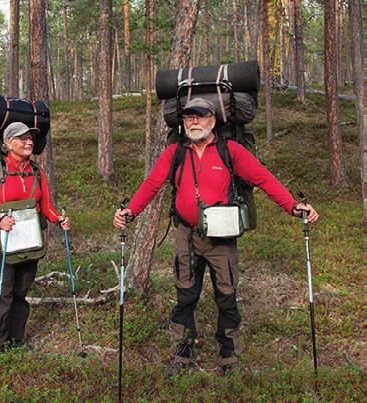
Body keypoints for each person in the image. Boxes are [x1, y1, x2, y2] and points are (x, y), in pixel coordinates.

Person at [113, 97, 318, 374]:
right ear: (183, 122)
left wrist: (293, 206)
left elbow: (263, 178)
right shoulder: (175, 153)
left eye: (200, 116)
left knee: (226, 297)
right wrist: (130, 211)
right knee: (186, 296)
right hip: (186, 235)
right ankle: (182, 353)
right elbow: (151, 184)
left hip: (221, 239)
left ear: (213, 120)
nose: (194, 121)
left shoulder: (229, 150)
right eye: (188, 117)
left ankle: (229, 358)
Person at [0, 121, 70, 351]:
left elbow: (46, 205)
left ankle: (15, 342)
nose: (28, 142)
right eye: (21, 138)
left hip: (29, 241)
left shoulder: (36, 171)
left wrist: (58, 218)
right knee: (1, 293)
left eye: (30, 138)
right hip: (1, 241)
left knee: (20, 292)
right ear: (8, 143)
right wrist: (0, 221)